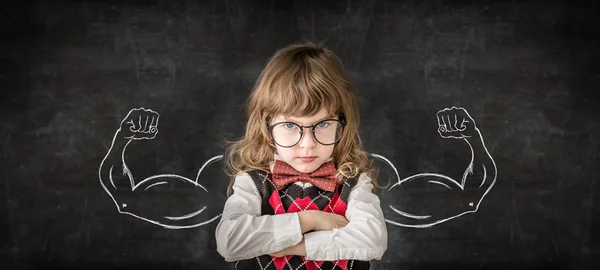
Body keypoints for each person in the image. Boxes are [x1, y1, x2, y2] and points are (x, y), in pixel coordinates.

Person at [215, 41, 388, 270]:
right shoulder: (253, 182)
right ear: (267, 126)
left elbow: (373, 240)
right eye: (289, 126)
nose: (308, 144)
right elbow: (229, 241)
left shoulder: (354, 182)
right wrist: (310, 220)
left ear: (341, 124)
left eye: (323, 123)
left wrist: (297, 245)